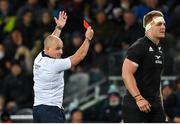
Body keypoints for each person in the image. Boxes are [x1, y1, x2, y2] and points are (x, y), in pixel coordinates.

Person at [32, 11, 94, 123]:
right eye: (57, 49)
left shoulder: (39, 57)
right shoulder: (54, 65)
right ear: (48, 49)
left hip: (37, 109)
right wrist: (88, 39)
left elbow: (51, 41)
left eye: (61, 48)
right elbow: (78, 57)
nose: (60, 52)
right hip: (51, 110)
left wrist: (59, 27)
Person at [121, 10, 166, 122]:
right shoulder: (139, 46)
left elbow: (157, 80)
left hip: (155, 105)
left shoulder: (159, 49)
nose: (163, 27)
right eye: (159, 24)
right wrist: (139, 98)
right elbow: (126, 73)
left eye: (164, 24)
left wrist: (161, 107)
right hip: (136, 106)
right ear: (149, 26)